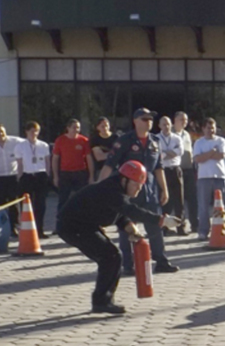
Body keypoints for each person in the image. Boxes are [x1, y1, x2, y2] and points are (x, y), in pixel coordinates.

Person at [59, 161, 182, 314]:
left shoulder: (117, 189)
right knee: (111, 256)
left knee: (111, 257)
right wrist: (161, 220)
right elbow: (131, 210)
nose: (139, 188)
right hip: (73, 227)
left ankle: (102, 300)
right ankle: (102, 301)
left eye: (141, 184)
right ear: (124, 180)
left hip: (85, 225)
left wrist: (130, 228)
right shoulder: (111, 191)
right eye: (136, 184)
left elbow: (119, 214)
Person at [99, 108, 180, 275]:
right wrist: (100, 188)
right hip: (129, 190)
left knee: (155, 225)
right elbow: (109, 164)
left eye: (150, 119)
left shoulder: (155, 141)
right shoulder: (124, 141)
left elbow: (158, 168)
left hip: (149, 190)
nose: (148, 122)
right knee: (127, 227)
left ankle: (161, 261)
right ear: (135, 121)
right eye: (144, 119)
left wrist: (164, 189)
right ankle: (128, 265)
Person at [52, 118, 95, 222]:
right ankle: (61, 222)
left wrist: (91, 176)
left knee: (83, 198)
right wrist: (55, 176)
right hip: (65, 174)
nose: (76, 130)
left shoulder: (84, 140)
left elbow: (89, 158)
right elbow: (55, 158)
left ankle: (84, 221)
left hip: (80, 173)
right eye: (74, 127)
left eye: (78, 128)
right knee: (63, 199)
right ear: (68, 128)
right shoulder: (60, 140)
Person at [14, 121, 52, 239]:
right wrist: (20, 177)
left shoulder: (43, 145)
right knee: (25, 204)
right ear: (26, 132)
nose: (34, 133)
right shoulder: (20, 146)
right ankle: (25, 229)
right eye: (32, 131)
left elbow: (47, 161)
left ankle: (39, 229)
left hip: (40, 175)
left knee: (40, 204)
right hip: (27, 176)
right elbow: (19, 163)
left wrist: (48, 174)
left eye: (36, 131)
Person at [193, 118, 225, 241]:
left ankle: (221, 229)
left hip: (219, 176)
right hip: (204, 177)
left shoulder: (221, 141)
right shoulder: (199, 143)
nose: (210, 130)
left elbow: (222, 155)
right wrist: (212, 151)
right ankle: (203, 231)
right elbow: (198, 159)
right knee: (203, 206)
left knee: (219, 206)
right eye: (208, 127)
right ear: (203, 129)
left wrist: (206, 155)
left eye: (212, 127)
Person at [0, 123, 23, 236]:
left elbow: (27, 145)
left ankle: (14, 227)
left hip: (12, 176)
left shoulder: (16, 141)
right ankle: (2, 226)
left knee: (14, 203)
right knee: (0, 203)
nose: (0, 134)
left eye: (2, 131)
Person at [156, 115, 184, 235]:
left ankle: (180, 227)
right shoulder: (156, 138)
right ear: (159, 126)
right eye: (163, 124)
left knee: (179, 199)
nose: (166, 126)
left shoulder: (177, 138)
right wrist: (169, 153)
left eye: (168, 124)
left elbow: (180, 152)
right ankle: (164, 227)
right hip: (163, 171)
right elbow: (158, 155)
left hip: (176, 170)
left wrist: (165, 153)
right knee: (163, 199)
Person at [175, 111, 197, 235]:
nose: (185, 122)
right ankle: (179, 226)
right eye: (182, 119)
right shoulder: (170, 134)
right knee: (179, 200)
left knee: (192, 198)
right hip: (176, 170)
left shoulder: (187, 134)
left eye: (186, 120)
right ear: (175, 120)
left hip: (189, 169)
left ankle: (195, 224)